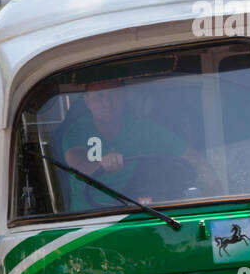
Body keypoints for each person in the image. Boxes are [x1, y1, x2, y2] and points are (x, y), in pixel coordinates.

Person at [54, 71, 216, 212]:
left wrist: (210, 183)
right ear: (87, 101)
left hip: (133, 213)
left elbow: (192, 157)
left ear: (123, 96)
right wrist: (102, 164)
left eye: (113, 94)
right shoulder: (77, 131)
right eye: (99, 96)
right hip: (86, 220)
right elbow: (78, 164)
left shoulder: (141, 128)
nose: (107, 102)